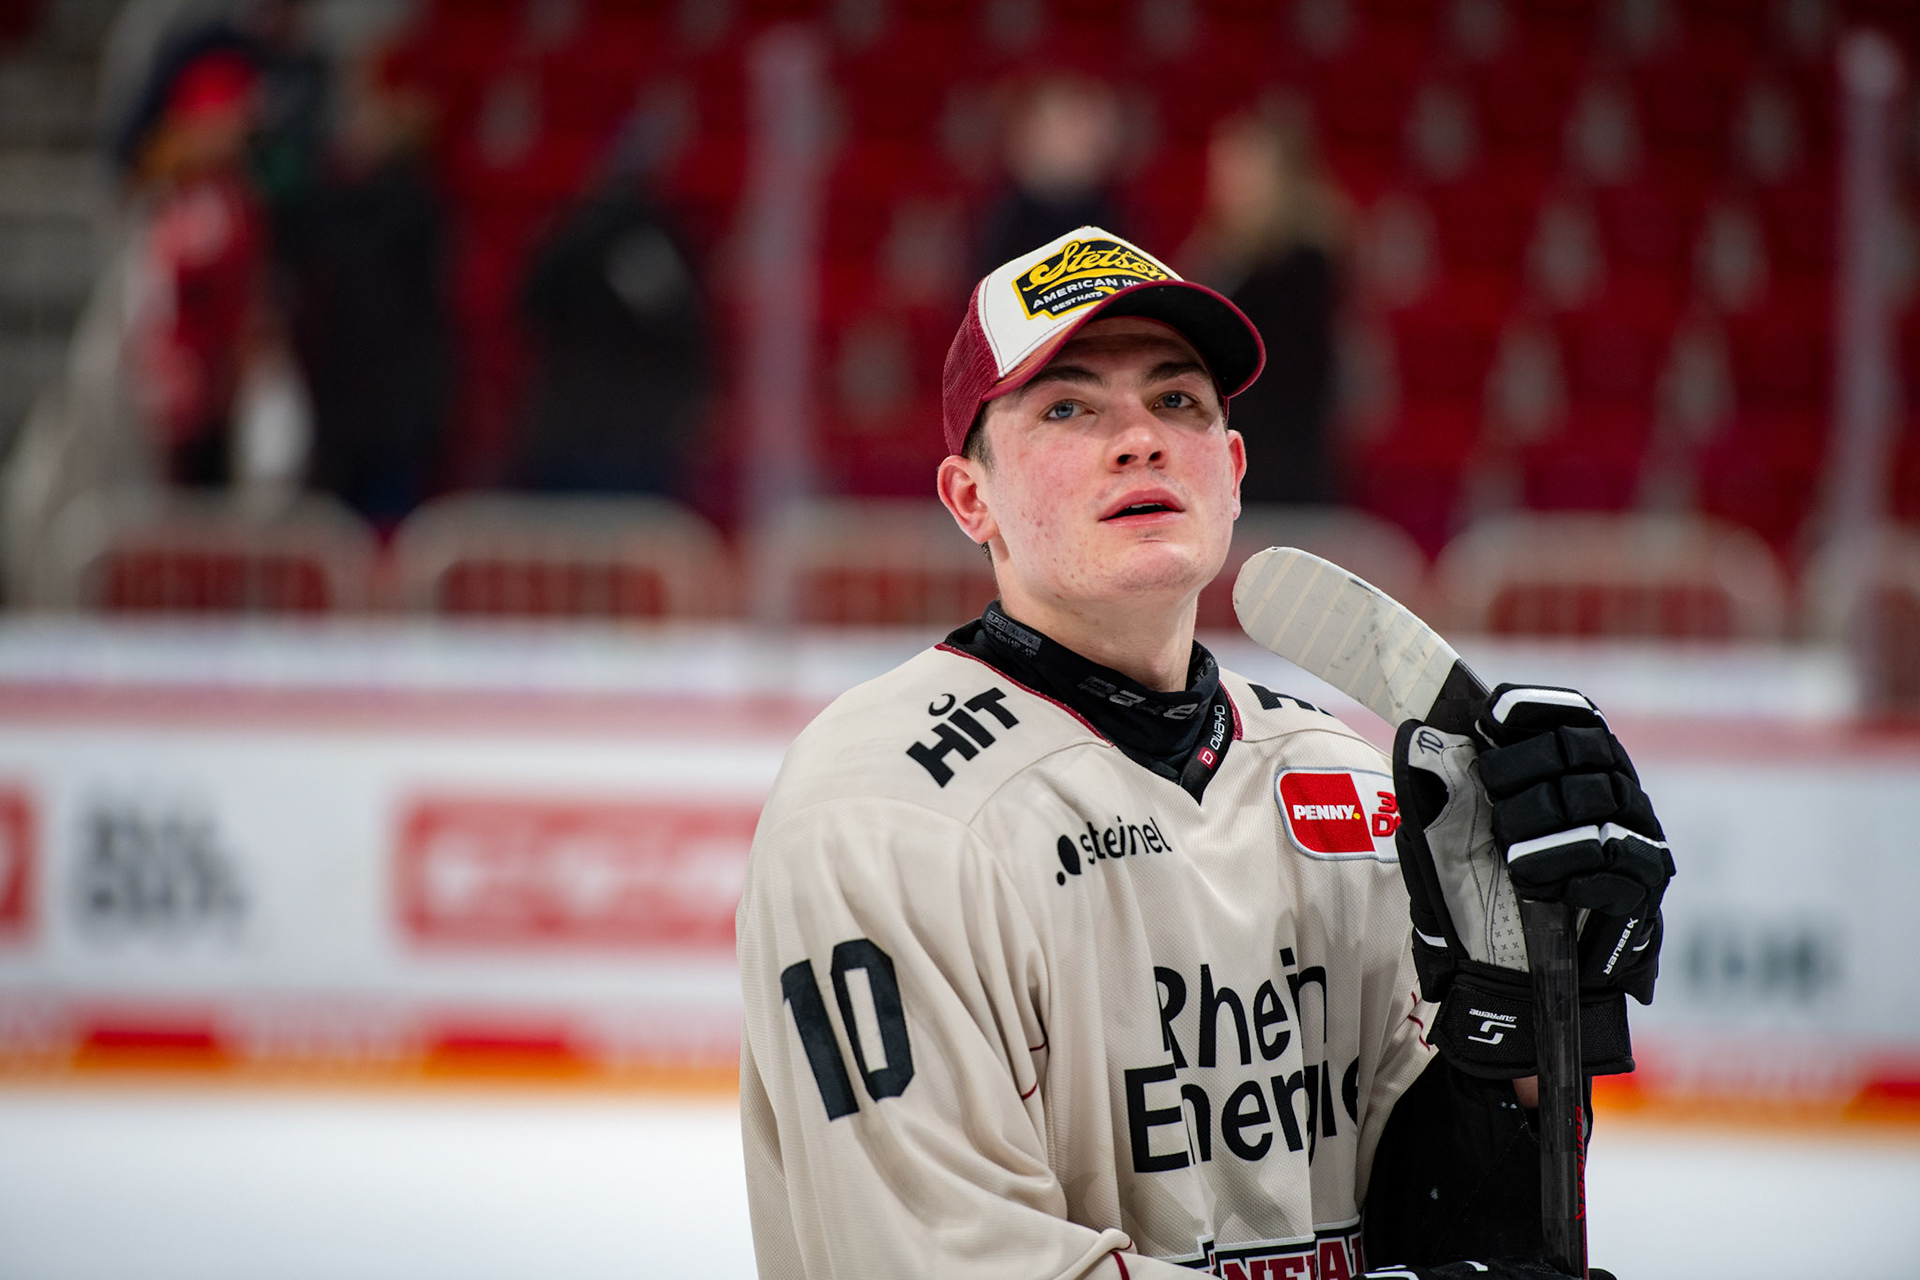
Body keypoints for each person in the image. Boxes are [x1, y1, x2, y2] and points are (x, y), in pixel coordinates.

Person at [736, 227, 1672, 1278]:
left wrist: (1526, 1024)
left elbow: (1442, 1219)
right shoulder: (881, 809)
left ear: (1228, 472)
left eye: (1177, 402)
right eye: (1068, 407)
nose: (1139, 437)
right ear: (971, 498)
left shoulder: (1348, 785)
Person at [1182, 109, 1344, 505]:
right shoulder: (1218, 249)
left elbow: (1290, 370)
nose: (1229, 183)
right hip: (1233, 441)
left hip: (1282, 456)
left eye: (1243, 170)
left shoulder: (1304, 261)